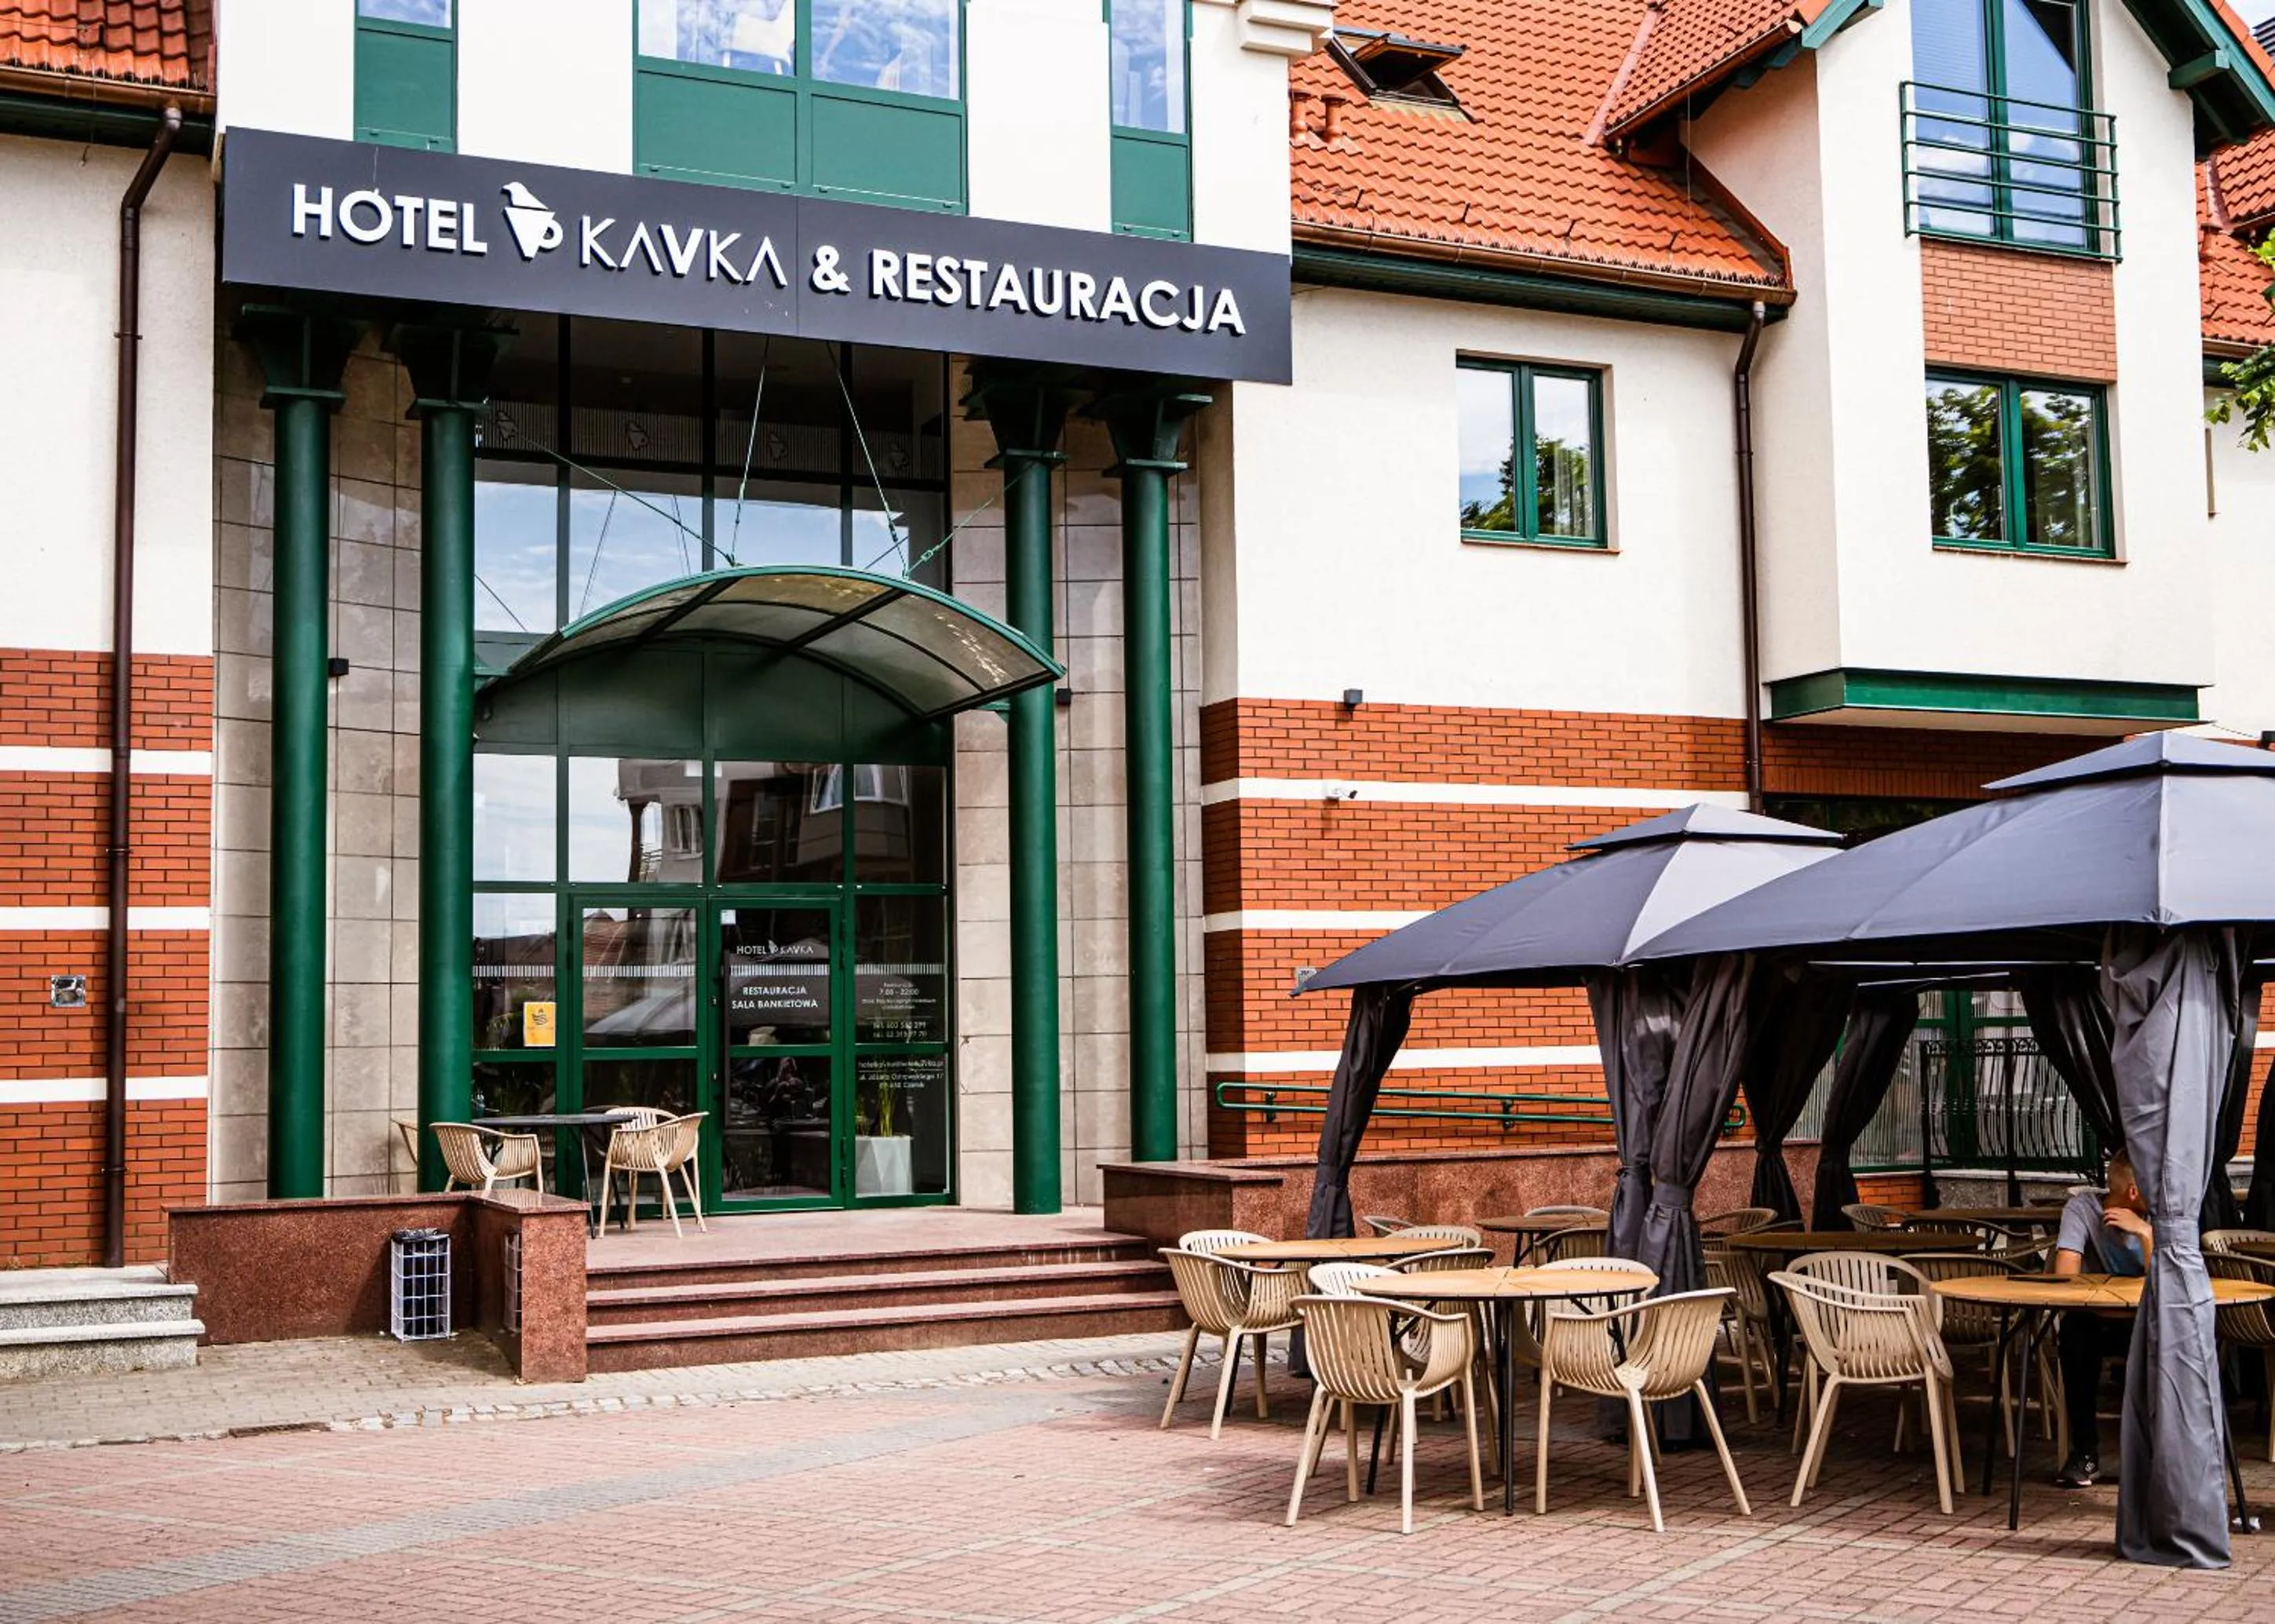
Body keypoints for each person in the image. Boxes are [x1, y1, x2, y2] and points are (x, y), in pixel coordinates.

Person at [2048, 1151, 2152, 1488]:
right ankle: (2085, 1454)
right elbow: (2066, 1278)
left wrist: (2147, 1235)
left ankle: (2154, 1458)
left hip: (2147, 1321)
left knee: (2165, 1340)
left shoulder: (2166, 1214)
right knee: (2075, 1333)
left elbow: (2166, 1284)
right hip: (2098, 1318)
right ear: (2135, 1191)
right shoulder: (2083, 1209)